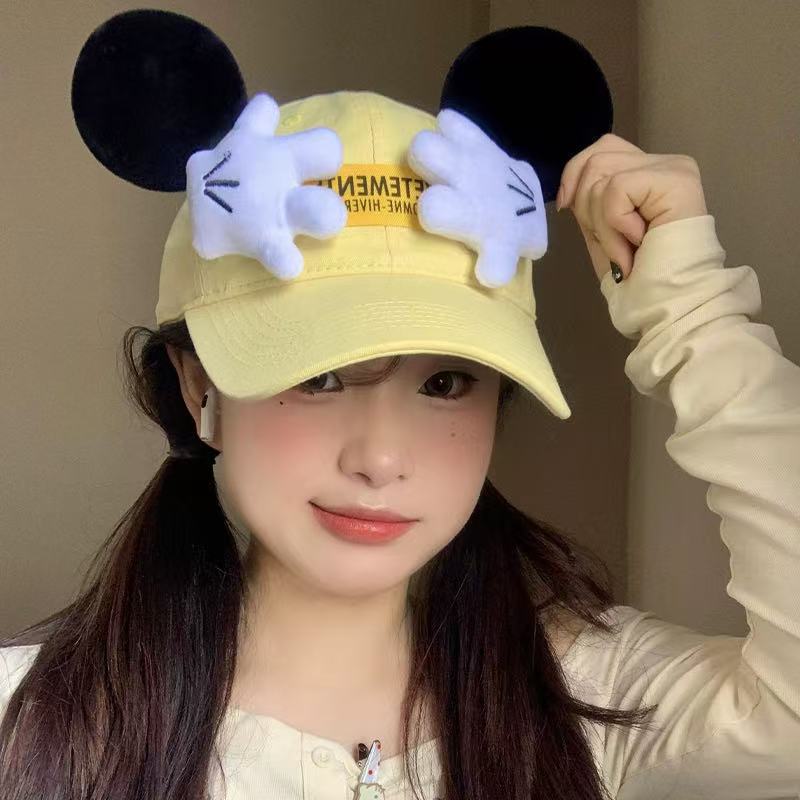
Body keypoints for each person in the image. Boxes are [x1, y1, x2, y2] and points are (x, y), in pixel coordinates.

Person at [1, 10, 798, 800]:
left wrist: (693, 311)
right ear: (198, 385)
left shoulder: (587, 700)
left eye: (445, 383)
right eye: (319, 376)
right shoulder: (28, 726)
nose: (380, 459)